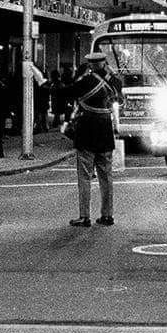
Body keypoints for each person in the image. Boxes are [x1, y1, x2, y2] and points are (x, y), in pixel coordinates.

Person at [65, 52, 120, 228]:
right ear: (104, 63)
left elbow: (66, 92)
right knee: (106, 176)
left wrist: (41, 81)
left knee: (85, 176)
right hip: (105, 131)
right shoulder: (115, 82)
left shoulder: (86, 82)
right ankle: (107, 215)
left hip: (87, 131)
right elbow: (119, 99)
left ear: (90, 64)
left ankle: (84, 216)